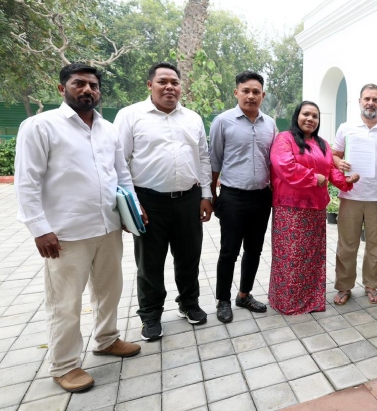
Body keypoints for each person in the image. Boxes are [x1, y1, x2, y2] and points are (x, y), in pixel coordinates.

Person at [14, 63, 142, 392]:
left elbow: (121, 175)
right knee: (66, 302)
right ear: (62, 88)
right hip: (65, 234)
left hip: (108, 227)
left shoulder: (108, 129)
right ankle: (64, 365)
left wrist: (132, 209)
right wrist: (39, 228)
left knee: (109, 291)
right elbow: (26, 182)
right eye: (79, 83)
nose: (87, 90)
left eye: (93, 85)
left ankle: (106, 339)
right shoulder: (40, 126)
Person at [114, 62, 212, 341]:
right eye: (163, 82)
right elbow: (119, 162)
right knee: (149, 263)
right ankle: (150, 315)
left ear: (181, 87)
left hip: (189, 200)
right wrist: (132, 204)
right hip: (148, 202)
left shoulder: (192, 118)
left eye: (175, 82)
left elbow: (203, 158)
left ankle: (189, 304)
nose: (170, 87)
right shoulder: (130, 116)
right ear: (150, 85)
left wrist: (206, 195)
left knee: (189, 258)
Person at [269, 101, 359, 314]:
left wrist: (346, 180)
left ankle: (311, 300)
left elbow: (330, 169)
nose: (310, 119)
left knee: (311, 257)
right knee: (290, 257)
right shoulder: (285, 139)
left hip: (316, 208)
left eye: (315, 116)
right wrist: (312, 178)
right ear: (297, 116)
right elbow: (284, 166)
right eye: (306, 114)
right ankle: (287, 302)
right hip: (290, 208)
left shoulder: (322, 144)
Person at [209, 70, 276, 323]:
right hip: (233, 197)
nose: (250, 96)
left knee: (254, 250)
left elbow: (274, 162)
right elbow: (214, 161)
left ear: (263, 95)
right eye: (245, 91)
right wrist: (211, 194)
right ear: (236, 92)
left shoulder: (270, 124)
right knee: (229, 252)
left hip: (262, 198)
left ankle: (244, 295)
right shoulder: (222, 121)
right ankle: (223, 300)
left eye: (256, 92)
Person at [331, 84, 377, 305]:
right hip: (350, 195)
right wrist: (339, 163)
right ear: (359, 101)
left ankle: (371, 285)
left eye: (375, 99)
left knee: (376, 245)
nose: (371, 103)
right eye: (367, 99)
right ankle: (344, 286)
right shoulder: (346, 128)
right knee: (347, 245)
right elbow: (334, 154)